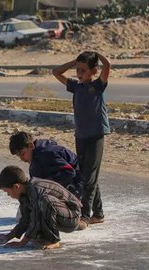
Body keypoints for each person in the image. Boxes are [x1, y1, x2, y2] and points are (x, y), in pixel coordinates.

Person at [52, 51, 111, 225]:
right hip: (81, 136)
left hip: (96, 136)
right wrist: (74, 62)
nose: (79, 74)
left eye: (83, 70)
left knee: (89, 178)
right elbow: (55, 72)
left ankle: (84, 216)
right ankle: (98, 214)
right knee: (87, 175)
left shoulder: (99, 85)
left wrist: (97, 54)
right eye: (78, 70)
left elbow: (107, 66)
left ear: (93, 71)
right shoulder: (76, 86)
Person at [0, 166, 87, 250]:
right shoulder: (24, 195)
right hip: (61, 215)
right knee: (36, 216)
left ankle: (53, 240)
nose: (8, 195)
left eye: (7, 192)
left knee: (45, 200)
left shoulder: (36, 189)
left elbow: (36, 219)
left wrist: (22, 243)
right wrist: (8, 237)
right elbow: (25, 220)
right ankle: (45, 237)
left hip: (72, 216)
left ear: (16, 186)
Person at [9, 131, 83, 199]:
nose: (22, 158)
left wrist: (44, 184)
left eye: (22, 154)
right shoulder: (35, 156)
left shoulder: (46, 154)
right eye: (19, 156)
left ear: (31, 146)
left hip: (78, 183)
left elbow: (69, 172)